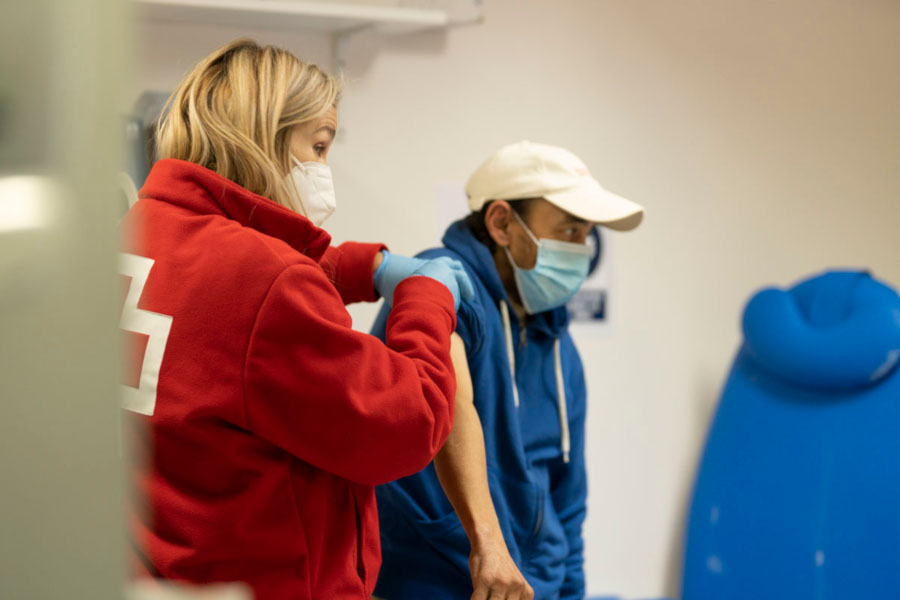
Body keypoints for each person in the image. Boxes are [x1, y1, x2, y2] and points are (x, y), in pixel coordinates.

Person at [119, 39, 473, 599]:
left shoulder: (141, 231)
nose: (324, 167)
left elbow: (227, 304)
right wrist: (427, 296)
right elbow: (410, 422)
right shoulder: (264, 280)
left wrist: (363, 268)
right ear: (263, 137)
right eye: (319, 145)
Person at [371, 141, 644, 599]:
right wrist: (488, 547)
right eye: (569, 230)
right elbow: (449, 409)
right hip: (434, 580)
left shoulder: (559, 344)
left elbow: (567, 498)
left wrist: (571, 592)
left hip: (532, 586)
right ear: (501, 223)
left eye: (586, 235)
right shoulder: (442, 285)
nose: (582, 250)